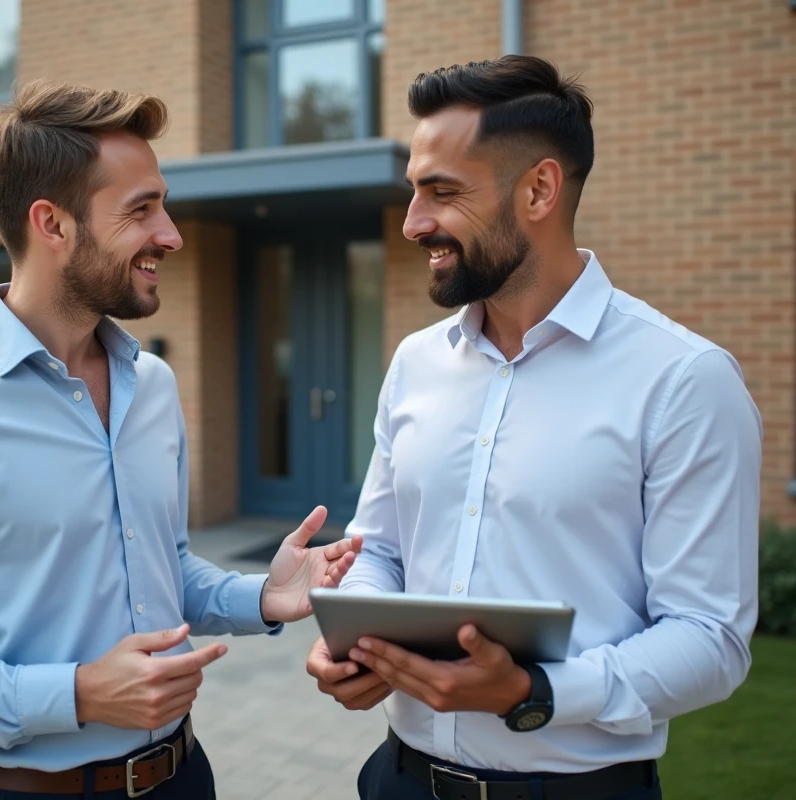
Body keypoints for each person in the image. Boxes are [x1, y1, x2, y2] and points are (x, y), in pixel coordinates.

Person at [0, 79, 361, 800]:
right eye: (142, 211)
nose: (170, 234)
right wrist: (76, 694)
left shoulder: (153, 385)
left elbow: (161, 569)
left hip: (182, 777)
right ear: (52, 224)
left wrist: (261, 596)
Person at [306, 55, 762, 800]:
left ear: (540, 189)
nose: (415, 223)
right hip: (397, 779)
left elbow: (711, 639)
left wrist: (533, 691)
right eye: (414, 192)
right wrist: (354, 644)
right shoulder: (415, 363)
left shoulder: (684, 381)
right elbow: (379, 547)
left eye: (442, 193)